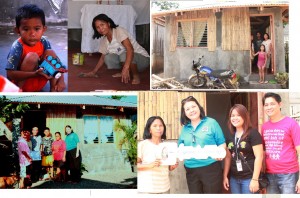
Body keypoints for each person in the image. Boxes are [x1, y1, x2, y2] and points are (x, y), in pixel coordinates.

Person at [5, 4, 66, 92]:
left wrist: (61, 80)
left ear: (43, 29)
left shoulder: (44, 41)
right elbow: (10, 74)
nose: (32, 34)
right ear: (18, 30)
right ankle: (18, 93)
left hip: (39, 80)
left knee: (50, 53)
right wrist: (35, 74)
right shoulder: (17, 46)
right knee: (32, 57)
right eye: (26, 29)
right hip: (22, 84)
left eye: (37, 29)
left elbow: (56, 61)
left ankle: (54, 88)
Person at [79, 14, 150, 84]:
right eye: (97, 27)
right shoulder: (104, 40)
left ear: (108, 24)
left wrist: (126, 68)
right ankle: (123, 71)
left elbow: (130, 49)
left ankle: (135, 76)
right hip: (128, 60)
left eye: (102, 24)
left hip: (143, 60)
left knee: (123, 55)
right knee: (108, 58)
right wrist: (93, 72)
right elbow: (103, 58)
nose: (101, 28)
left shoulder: (119, 31)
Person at [178, 96, 226, 194]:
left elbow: (222, 143)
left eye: (193, 107)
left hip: (210, 168)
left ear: (199, 107)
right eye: (187, 109)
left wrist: (219, 153)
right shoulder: (185, 129)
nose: (191, 110)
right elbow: (180, 147)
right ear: (184, 113)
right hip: (191, 170)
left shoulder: (211, 122)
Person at [261, 92, 300, 194]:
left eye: (272, 104)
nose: (269, 107)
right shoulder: (264, 127)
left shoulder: (291, 123)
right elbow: (264, 151)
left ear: (280, 104)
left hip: (289, 174)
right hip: (270, 175)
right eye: (266, 105)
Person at [223, 104, 263, 194]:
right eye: (232, 116)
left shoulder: (253, 133)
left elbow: (259, 156)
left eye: (238, 115)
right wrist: (225, 176)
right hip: (234, 178)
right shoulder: (230, 135)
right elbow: (228, 157)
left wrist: (255, 179)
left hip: (249, 178)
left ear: (245, 116)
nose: (235, 118)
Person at [137, 116, 178, 194]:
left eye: (161, 125)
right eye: (155, 126)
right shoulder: (143, 145)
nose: (158, 128)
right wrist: (150, 165)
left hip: (165, 188)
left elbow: (168, 167)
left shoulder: (168, 146)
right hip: (147, 189)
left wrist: (172, 167)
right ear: (149, 129)